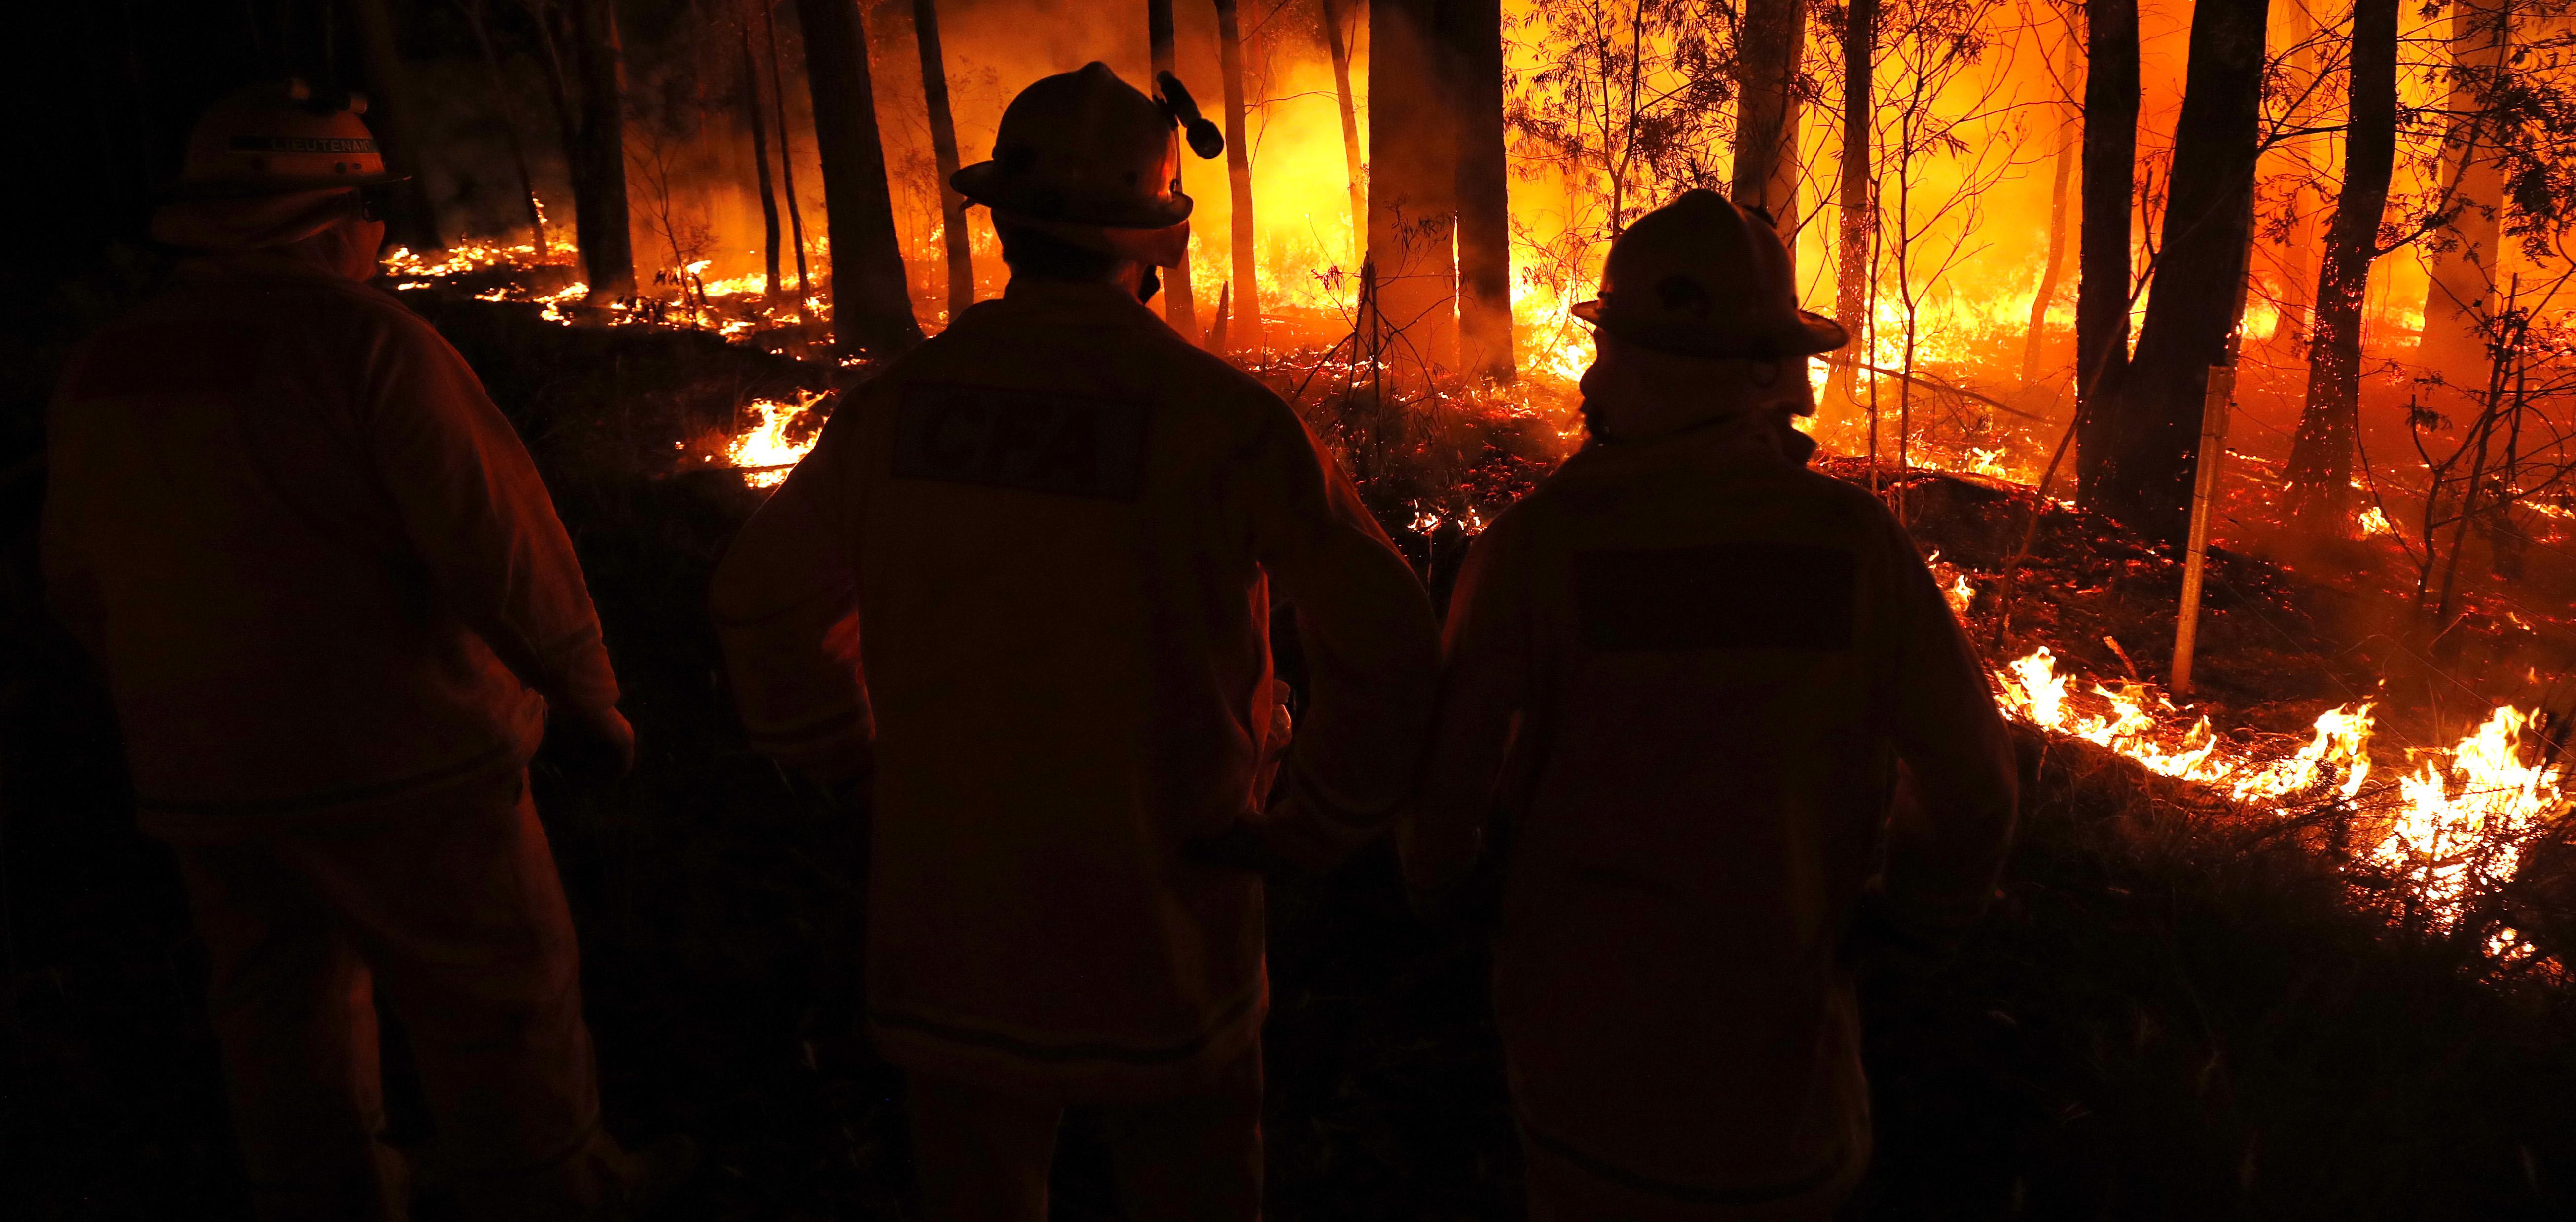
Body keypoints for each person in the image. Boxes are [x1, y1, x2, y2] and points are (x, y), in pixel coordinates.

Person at [712, 62, 1442, 1222]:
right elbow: (1388, 639)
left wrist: (849, 760)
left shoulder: (903, 405)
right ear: (1155, 243)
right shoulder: (1224, 421)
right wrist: (1318, 820)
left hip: (953, 915)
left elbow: (762, 597)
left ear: (1001, 220)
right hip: (1165, 915)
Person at [40, 83, 689, 1221]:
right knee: (499, 1003)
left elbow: (77, 582)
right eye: (370, 212)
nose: (380, 239)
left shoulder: (107, 366)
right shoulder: (365, 340)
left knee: (279, 1017)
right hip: (407, 766)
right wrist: (586, 697)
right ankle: (550, 1193)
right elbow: (499, 541)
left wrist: (171, 705)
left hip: (204, 782)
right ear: (329, 218)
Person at [1404, 190, 2018, 1222]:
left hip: (1582, 1098)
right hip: (1787, 1110)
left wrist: (1461, 918)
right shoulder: (1855, 548)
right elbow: (1974, 795)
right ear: (1769, 369)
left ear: (1617, 361)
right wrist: (1907, 927)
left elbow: (1440, 812)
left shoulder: (1534, 550)